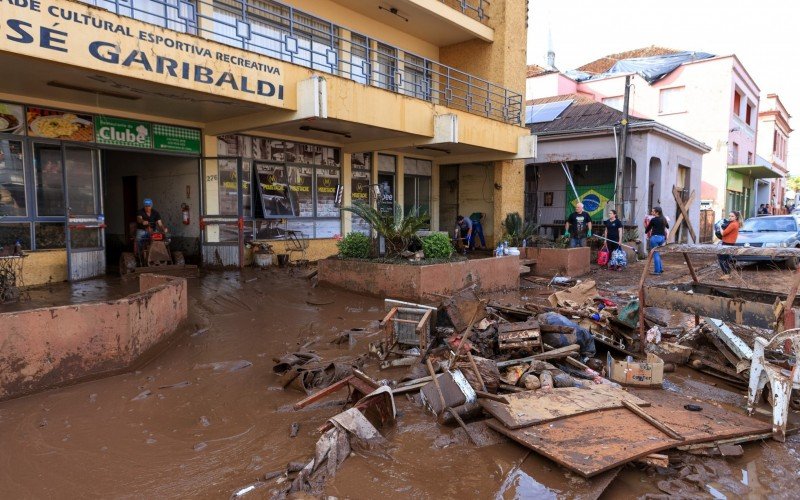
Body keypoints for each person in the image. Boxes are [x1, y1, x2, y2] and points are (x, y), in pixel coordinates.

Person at [645, 207, 669, 275]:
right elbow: (667, 227)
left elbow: (647, 230)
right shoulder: (664, 219)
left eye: (653, 211)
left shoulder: (653, 220)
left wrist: (646, 227)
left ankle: (657, 271)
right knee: (658, 253)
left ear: (657, 212)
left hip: (655, 238)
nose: (651, 213)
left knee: (655, 254)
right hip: (662, 238)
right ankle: (660, 269)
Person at [718, 211, 740, 276]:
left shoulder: (733, 224)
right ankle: (728, 273)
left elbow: (723, 233)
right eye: (729, 216)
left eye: (732, 216)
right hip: (729, 243)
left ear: (736, 217)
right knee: (725, 258)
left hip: (727, 243)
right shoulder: (735, 223)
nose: (730, 217)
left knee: (721, 258)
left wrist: (720, 227)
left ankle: (727, 274)